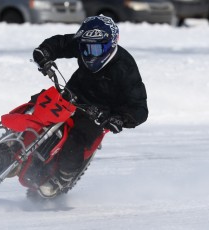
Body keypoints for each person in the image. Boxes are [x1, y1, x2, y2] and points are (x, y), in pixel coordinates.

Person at [32, 15, 148, 197]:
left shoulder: (125, 67)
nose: (90, 53)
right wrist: (44, 52)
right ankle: (12, 142)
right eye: (85, 49)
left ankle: (63, 177)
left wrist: (121, 118)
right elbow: (61, 43)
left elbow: (140, 107)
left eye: (96, 48)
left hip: (100, 113)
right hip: (71, 95)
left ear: (111, 44)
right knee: (37, 105)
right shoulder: (85, 42)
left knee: (78, 140)